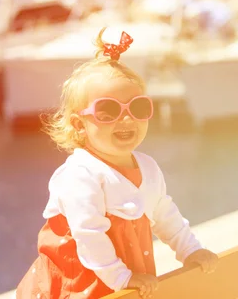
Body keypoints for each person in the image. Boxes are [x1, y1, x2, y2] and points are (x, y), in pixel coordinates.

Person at [16, 27, 218, 299]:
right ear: (79, 124)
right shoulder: (81, 175)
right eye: (108, 111)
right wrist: (121, 277)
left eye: (138, 108)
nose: (126, 119)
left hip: (124, 279)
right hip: (83, 282)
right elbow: (89, 234)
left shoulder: (147, 167)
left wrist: (190, 250)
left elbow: (164, 214)